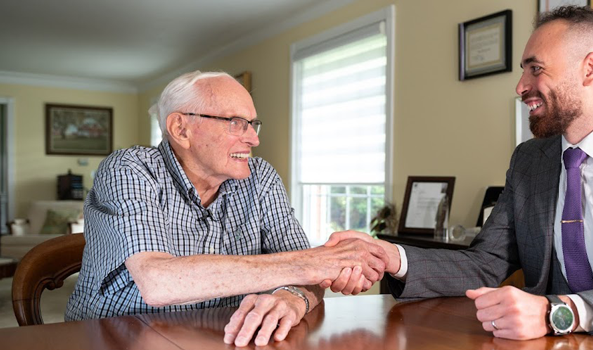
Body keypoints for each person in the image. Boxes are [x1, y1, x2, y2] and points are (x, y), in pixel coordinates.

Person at [326, 6, 593, 340]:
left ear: (590, 69)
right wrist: (393, 257)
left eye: (536, 69)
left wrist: (560, 312)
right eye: (523, 71)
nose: (520, 86)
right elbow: (485, 263)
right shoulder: (529, 160)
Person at [66, 71, 387, 347]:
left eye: (252, 124)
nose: (253, 139)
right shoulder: (130, 168)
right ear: (181, 129)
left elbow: (307, 277)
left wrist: (291, 299)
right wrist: (314, 263)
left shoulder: (259, 177)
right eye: (236, 123)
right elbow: (158, 281)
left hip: (227, 338)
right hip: (116, 339)